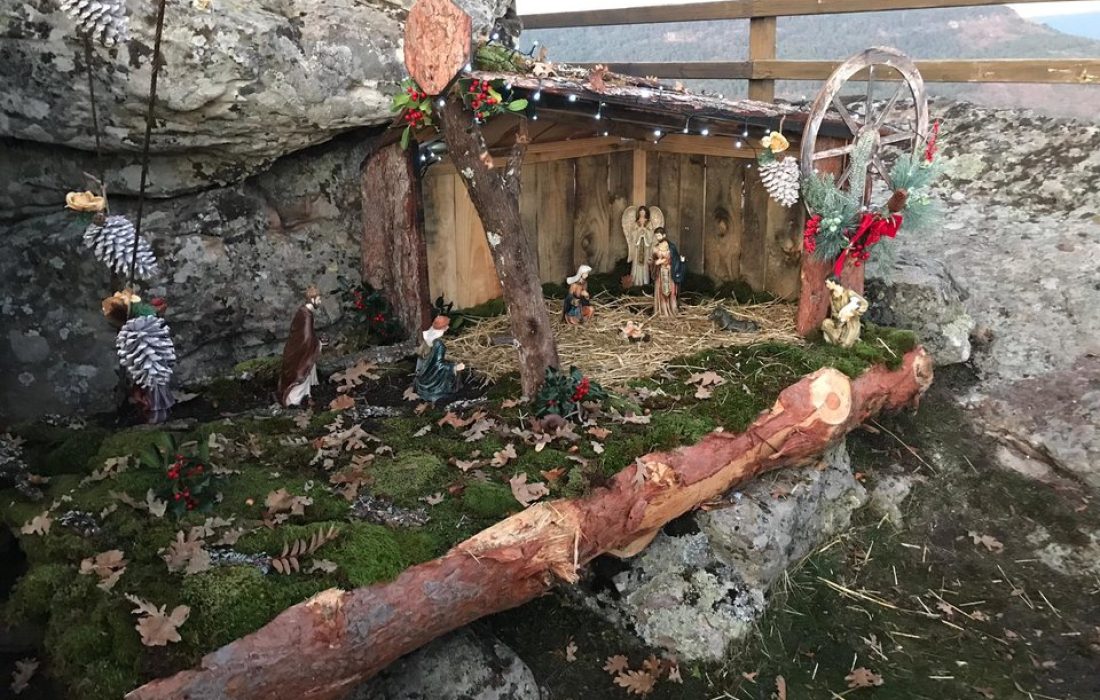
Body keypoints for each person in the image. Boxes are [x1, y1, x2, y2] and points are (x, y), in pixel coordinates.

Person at [278, 286, 323, 407]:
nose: (320, 302)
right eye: (318, 299)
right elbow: (306, 338)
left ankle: (306, 396)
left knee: (306, 374)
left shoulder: (306, 313)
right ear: (312, 300)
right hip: (300, 353)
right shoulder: (306, 315)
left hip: (302, 350)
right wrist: (317, 343)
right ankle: (294, 401)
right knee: (301, 373)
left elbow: (308, 335)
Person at [414, 315, 465, 402]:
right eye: (446, 326)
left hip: (423, 377)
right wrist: (454, 367)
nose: (448, 327)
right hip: (432, 382)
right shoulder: (438, 344)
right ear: (442, 328)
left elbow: (424, 361)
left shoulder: (427, 338)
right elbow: (438, 365)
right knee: (456, 371)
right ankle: (446, 391)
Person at [623, 206, 657, 286]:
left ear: (646, 213)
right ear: (639, 213)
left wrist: (645, 231)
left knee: (645, 263)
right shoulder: (636, 222)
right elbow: (632, 234)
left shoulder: (649, 222)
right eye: (641, 211)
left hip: (645, 245)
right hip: (637, 247)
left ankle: (645, 281)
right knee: (636, 263)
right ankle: (636, 281)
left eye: (643, 211)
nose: (642, 213)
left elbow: (652, 233)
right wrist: (638, 231)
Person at [651, 239, 679, 317]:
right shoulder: (657, 251)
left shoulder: (671, 251)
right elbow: (653, 262)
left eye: (666, 247)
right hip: (661, 275)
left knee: (672, 293)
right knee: (662, 294)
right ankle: (663, 312)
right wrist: (657, 263)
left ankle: (673, 310)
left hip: (670, 275)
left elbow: (676, 262)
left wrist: (671, 267)